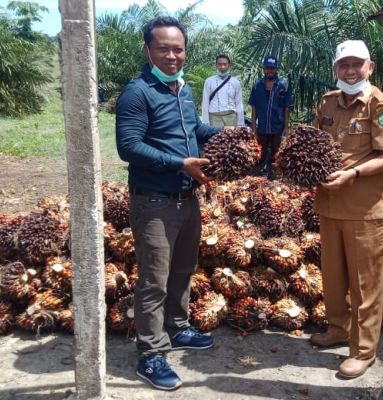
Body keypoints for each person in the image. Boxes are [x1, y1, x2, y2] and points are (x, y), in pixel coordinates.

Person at [115, 16, 219, 391]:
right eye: (163, 48)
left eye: (178, 49)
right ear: (148, 50)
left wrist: (226, 135)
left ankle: (177, 328)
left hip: (186, 198)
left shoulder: (182, 89)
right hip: (154, 201)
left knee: (182, 270)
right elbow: (128, 147)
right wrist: (180, 164)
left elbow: (193, 131)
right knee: (154, 281)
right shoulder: (137, 93)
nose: (172, 56)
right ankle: (151, 354)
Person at [310, 40, 383, 378]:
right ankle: (337, 329)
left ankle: (364, 351)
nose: (350, 71)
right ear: (336, 69)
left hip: (364, 210)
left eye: (356, 64)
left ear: (370, 67)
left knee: (366, 284)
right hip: (330, 205)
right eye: (344, 65)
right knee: (333, 277)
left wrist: (353, 173)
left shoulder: (380, 106)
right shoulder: (329, 102)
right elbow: (316, 145)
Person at [249, 55, 293, 177]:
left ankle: (274, 177)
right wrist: (253, 127)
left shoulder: (283, 85)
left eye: (272, 68)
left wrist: (286, 127)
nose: (270, 71)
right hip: (262, 127)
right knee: (259, 153)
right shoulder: (257, 86)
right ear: (263, 69)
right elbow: (254, 107)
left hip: (277, 126)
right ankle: (257, 178)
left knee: (277, 153)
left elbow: (287, 107)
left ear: (277, 69)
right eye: (268, 68)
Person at [201, 54, 245, 128]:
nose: (222, 67)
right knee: (215, 139)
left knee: (231, 139)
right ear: (216, 66)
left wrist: (240, 124)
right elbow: (205, 103)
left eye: (225, 64)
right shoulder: (209, 81)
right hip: (214, 117)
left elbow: (239, 103)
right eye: (220, 64)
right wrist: (206, 123)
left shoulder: (235, 82)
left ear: (229, 66)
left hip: (231, 117)